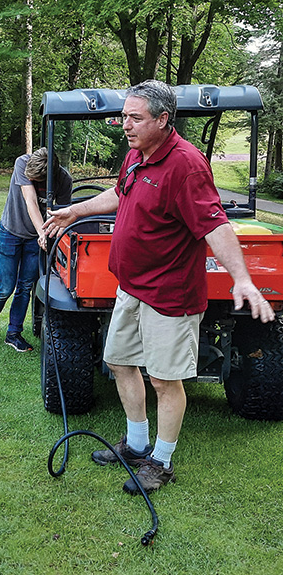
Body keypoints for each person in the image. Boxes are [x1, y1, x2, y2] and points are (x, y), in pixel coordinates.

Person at [43, 80, 275, 495]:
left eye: (135, 118)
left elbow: (215, 223)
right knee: (119, 363)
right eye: (124, 116)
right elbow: (119, 193)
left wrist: (243, 278)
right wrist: (74, 210)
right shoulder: (136, 154)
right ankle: (135, 445)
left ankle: (161, 462)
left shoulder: (186, 165)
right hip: (130, 287)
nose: (125, 126)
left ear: (163, 119)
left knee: (165, 381)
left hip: (170, 296)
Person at [0, 147, 73, 352]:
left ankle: (14, 334)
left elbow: (63, 215)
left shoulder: (63, 180)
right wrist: (42, 232)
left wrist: (50, 235)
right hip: (10, 232)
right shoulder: (22, 162)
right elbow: (30, 201)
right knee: (6, 286)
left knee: (25, 287)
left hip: (34, 240)